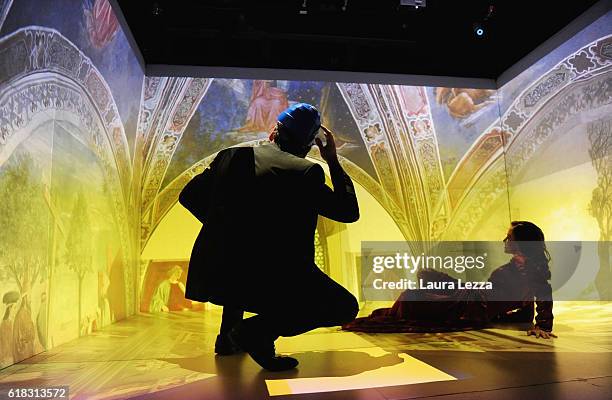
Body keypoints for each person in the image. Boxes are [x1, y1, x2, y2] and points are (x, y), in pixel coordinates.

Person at [179, 103, 360, 371]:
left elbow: (188, 196)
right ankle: (256, 331)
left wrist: (221, 227)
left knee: (240, 255)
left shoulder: (229, 156)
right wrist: (332, 159)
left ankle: (228, 336)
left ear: (273, 132)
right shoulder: (306, 173)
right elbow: (347, 211)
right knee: (345, 307)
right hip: (277, 279)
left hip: (218, 272)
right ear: (309, 146)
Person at [343, 221, 557, 339]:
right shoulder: (517, 267)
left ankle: (398, 310)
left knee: (412, 295)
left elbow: (542, 297)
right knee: (425, 275)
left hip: (470, 307)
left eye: (509, 237)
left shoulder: (532, 272)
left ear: (521, 243)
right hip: (471, 295)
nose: (505, 240)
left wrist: (543, 326)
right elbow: (521, 303)